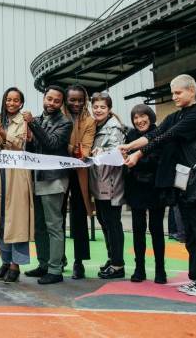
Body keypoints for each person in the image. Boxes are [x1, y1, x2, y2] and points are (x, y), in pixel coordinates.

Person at [122, 74, 196, 297]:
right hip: (186, 183)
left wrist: (138, 154)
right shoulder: (176, 115)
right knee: (191, 233)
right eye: (173, 93)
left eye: (178, 92)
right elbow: (154, 134)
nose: (174, 97)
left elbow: (166, 136)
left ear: (192, 91)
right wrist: (128, 145)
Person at [0, 87, 34, 283]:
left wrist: (3, 133)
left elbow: (20, 145)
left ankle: (15, 265)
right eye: (8, 100)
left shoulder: (24, 121)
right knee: (0, 218)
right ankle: (5, 261)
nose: (11, 103)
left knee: (16, 220)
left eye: (15, 100)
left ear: (21, 103)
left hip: (17, 175)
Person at [22, 86, 72, 285]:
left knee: (54, 225)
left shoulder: (65, 123)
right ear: (43, 98)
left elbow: (52, 144)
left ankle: (55, 269)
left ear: (61, 103)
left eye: (56, 101)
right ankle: (44, 264)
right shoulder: (39, 119)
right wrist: (30, 140)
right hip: (37, 178)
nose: (51, 103)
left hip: (54, 179)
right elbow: (36, 148)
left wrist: (33, 124)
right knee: (39, 226)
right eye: (49, 98)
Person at [125, 104, 166, 284]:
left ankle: (160, 269)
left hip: (155, 188)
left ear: (150, 117)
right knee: (138, 230)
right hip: (136, 188)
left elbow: (160, 159)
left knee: (156, 229)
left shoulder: (159, 133)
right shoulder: (131, 136)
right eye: (135, 117)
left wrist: (137, 159)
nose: (139, 120)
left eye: (143, 116)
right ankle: (139, 268)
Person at [89, 92, 126, 280]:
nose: (98, 110)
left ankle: (118, 264)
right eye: (95, 107)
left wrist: (101, 150)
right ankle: (112, 258)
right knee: (104, 222)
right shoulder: (95, 126)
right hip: (99, 182)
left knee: (113, 223)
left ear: (109, 109)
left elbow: (119, 152)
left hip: (111, 182)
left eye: (102, 107)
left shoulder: (114, 128)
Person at [64, 85, 95, 279]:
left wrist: (65, 146)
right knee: (56, 217)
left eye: (80, 100)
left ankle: (79, 261)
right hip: (58, 171)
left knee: (79, 216)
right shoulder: (59, 117)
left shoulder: (89, 121)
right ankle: (58, 258)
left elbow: (85, 149)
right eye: (72, 100)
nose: (76, 103)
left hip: (79, 173)